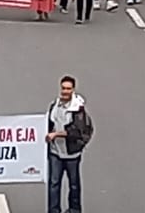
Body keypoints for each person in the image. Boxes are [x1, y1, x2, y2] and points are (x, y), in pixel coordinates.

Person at [47, 75, 92, 213]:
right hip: (55, 152)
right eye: (63, 88)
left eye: (68, 89)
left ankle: (74, 210)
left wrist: (56, 134)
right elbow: (49, 123)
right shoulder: (55, 105)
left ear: (73, 90)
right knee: (54, 184)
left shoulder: (78, 109)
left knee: (73, 185)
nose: (65, 91)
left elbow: (76, 131)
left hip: (71, 154)